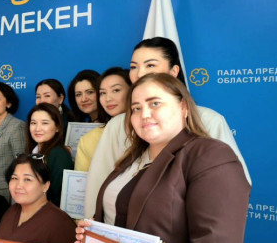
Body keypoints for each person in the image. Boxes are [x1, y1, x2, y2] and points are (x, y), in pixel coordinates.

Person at [75, 74, 275, 243]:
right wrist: (96, 232)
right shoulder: (131, 159)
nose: (144, 114)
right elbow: (128, 217)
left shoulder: (209, 154)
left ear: (183, 107)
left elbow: (217, 242)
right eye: (136, 108)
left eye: (155, 103)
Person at [83, 37, 251, 217]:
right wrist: (92, 226)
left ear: (174, 71)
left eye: (150, 65)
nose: (139, 73)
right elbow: (98, 182)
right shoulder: (118, 124)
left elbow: (231, 189)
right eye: (134, 67)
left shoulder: (209, 120)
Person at [74, 68, 131, 172]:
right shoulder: (89, 139)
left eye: (116, 90)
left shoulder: (148, 130)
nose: (108, 98)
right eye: (103, 93)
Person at [25, 103, 73, 207]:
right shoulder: (33, 153)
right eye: (33, 123)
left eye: (44, 123)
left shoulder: (59, 154)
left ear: (57, 127)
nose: (37, 128)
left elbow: (56, 196)